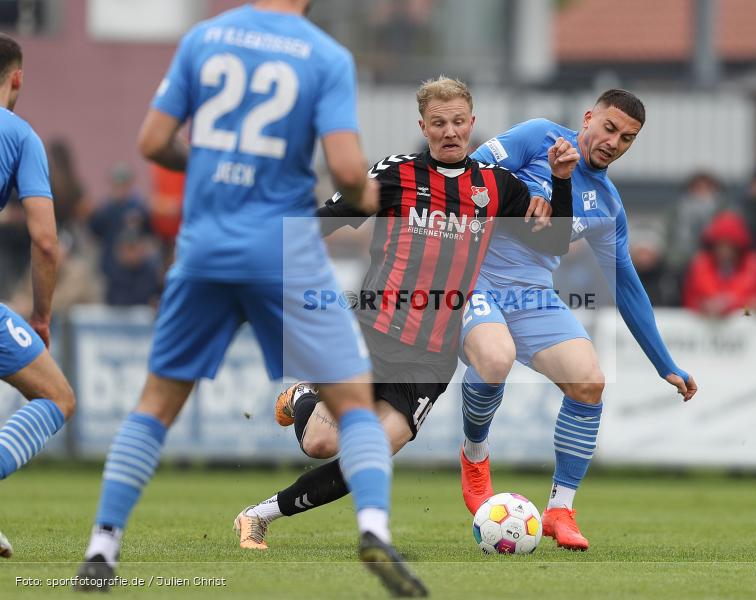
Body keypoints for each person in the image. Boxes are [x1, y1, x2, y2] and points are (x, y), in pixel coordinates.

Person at [73, 3, 425, 597]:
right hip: (278, 249)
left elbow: (153, 141)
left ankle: (102, 548)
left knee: (155, 405)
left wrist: (211, 165)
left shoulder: (204, 38)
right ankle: (374, 529)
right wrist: (368, 196)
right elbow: (345, 171)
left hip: (203, 247)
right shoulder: (325, 55)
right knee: (356, 403)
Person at [232, 75, 577, 549]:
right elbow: (325, 221)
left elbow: (555, 242)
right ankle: (304, 395)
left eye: (458, 122)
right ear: (424, 126)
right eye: (439, 123)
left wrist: (560, 183)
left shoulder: (497, 186)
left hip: (431, 357)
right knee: (320, 445)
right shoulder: (394, 173)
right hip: (372, 335)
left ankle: (257, 517)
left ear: (472, 123)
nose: (450, 131)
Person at [457, 90, 696, 552]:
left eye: (627, 138)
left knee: (589, 382)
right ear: (588, 117)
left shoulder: (607, 205)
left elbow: (626, 283)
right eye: (608, 128)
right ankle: (474, 455)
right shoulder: (535, 136)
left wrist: (664, 363)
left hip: (532, 296)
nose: (614, 142)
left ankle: (560, 510)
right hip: (471, 279)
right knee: (495, 359)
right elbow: (468, 177)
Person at [0, 32, 76, 558]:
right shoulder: (20, 135)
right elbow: (46, 241)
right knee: (56, 397)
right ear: (17, 78)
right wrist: (42, 314)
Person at [682, 211, 756, 317]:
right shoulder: (700, 266)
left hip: (746, 327)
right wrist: (703, 307)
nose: (724, 251)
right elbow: (690, 301)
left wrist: (731, 307)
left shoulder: (755, 266)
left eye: (730, 246)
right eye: (720, 245)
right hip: (706, 328)